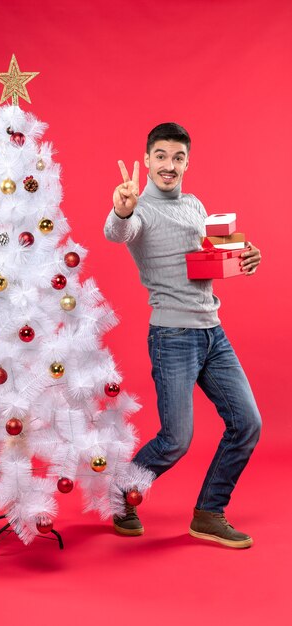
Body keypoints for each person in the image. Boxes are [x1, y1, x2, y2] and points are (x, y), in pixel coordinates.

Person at [104, 123, 262, 549]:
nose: (168, 165)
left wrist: (244, 255)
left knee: (247, 424)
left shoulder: (195, 205)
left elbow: (209, 259)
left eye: (177, 158)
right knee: (176, 440)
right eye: (160, 156)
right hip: (172, 335)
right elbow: (118, 232)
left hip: (214, 332)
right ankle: (119, 493)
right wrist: (121, 208)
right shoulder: (140, 209)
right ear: (148, 160)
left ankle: (209, 513)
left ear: (187, 163)